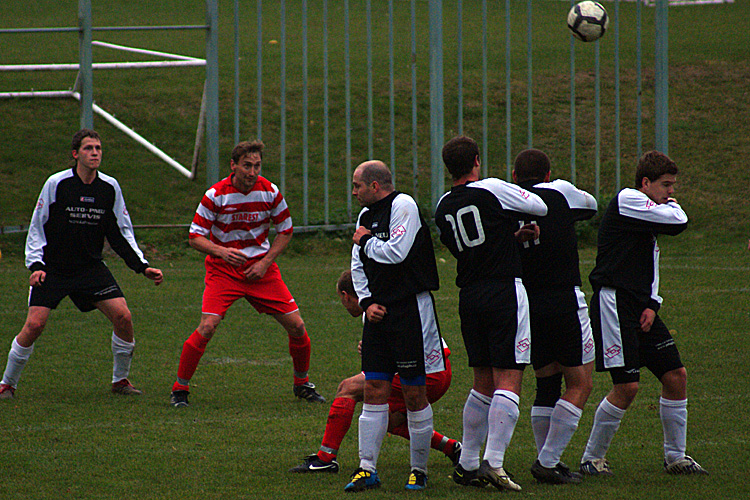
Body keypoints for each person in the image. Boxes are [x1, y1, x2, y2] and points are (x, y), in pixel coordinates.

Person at [0, 128, 163, 399]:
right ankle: (7, 383)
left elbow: (120, 232)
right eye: (89, 148)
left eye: (98, 148)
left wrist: (142, 266)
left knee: (123, 316)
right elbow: (37, 228)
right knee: (35, 325)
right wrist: (36, 266)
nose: (95, 153)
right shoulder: (57, 184)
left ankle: (120, 380)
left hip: (90, 268)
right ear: (76, 154)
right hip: (53, 268)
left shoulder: (109, 188)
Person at [579, 150, 708, 476]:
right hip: (613, 303)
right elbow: (679, 221)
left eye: (673, 186)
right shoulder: (628, 200)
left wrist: (653, 304)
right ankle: (592, 459)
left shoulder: (647, 213)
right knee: (627, 386)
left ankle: (675, 457)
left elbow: (651, 258)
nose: (671, 192)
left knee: (675, 376)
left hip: (640, 306)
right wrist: (670, 207)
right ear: (645, 182)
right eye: (665, 185)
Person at [169, 140, 324, 407]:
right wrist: (220, 251)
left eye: (257, 166)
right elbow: (195, 237)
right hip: (224, 272)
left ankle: (302, 383)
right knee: (207, 326)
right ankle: (179, 389)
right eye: (247, 166)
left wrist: (265, 263)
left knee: (297, 326)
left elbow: (285, 230)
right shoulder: (215, 195)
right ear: (234, 165)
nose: (252, 172)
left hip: (261, 272)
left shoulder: (269, 191)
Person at [434, 136, 548, 492]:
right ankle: (494, 463)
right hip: (503, 290)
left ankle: (467, 464)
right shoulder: (493, 188)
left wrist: (507, 236)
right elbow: (540, 207)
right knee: (510, 376)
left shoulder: (441, 206)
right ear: (477, 161)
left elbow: (467, 244)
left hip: (470, 295)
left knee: (482, 380)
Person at [289, 270, 461, 474]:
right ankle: (452, 448)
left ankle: (326, 458)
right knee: (387, 420)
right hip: (440, 368)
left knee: (348, 388)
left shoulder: (375, 311)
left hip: (425, 371)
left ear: (346, 296)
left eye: (342, 299)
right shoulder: (385, 299)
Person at [344, 160, 444, 492]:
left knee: (415, 392)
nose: (354, 191)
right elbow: (357, 266)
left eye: (357, 185)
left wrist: (366, 241)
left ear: (375, 186)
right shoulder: (364, 217)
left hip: (410, 312)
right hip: (377, 314)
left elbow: (397, 253)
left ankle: (419, 469)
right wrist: (365, 303)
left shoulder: (404, 206)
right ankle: (366, 468)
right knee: (374, 390)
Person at [512, 149, 598, 484]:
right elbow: (590, 205)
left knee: (547, 380)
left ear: (516, 176)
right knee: (580, 382)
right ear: (548, 174)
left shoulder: (508, 199)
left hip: (528, 302)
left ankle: (549, 459)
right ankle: (548, 460)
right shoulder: (560, 191)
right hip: (562, 298)